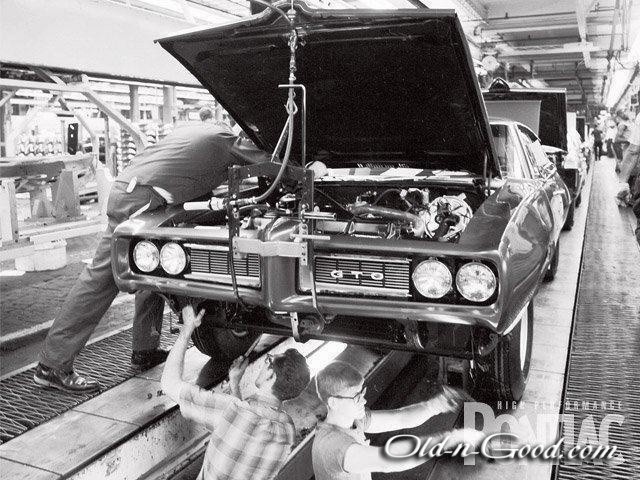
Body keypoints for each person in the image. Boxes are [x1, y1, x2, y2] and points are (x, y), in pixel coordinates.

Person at [34, 124, 272, 393]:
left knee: (151, 264)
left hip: (132, 188)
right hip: (143, 197)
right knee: (100, 281)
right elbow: (273, 165)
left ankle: (144, 348)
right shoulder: (228, 141)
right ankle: (52, 366)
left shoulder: (198, 132)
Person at [161, 305, 311, 480]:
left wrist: (187, 330)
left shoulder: (230, 411)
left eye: (269, 360)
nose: (265, 362)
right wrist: (235, 385)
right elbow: (244, 430)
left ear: (271, 375)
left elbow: (168, 383)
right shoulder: (287, 431)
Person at [312, 361, 483, 480]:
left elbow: (400, 418)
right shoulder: (331, 445)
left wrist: (436, 405)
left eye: (362, 393)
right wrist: (449, 440)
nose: (363, 401)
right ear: (333, 402)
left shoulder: (353, 421)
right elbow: (387, 461)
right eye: (356, 397)